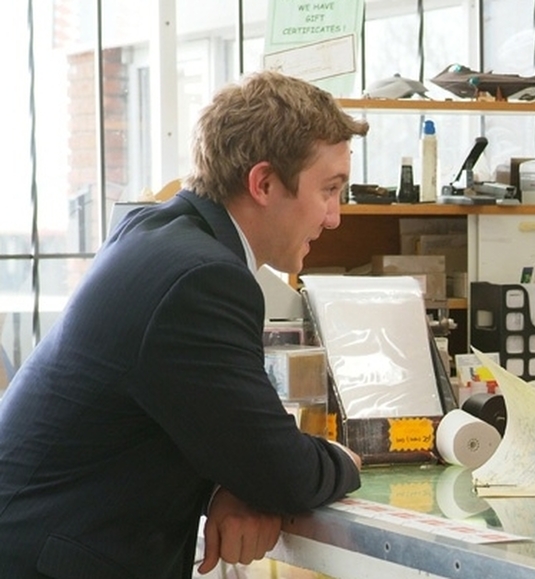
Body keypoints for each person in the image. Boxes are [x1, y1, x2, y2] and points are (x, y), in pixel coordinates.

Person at [0, 71, 367, 577]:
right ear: (263, 183)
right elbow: (286, 472)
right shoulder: (202, 279)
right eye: (329, 190)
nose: (334, 217)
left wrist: (231, 483)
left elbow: (233, 442)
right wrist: (346, 458)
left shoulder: (158, 231)